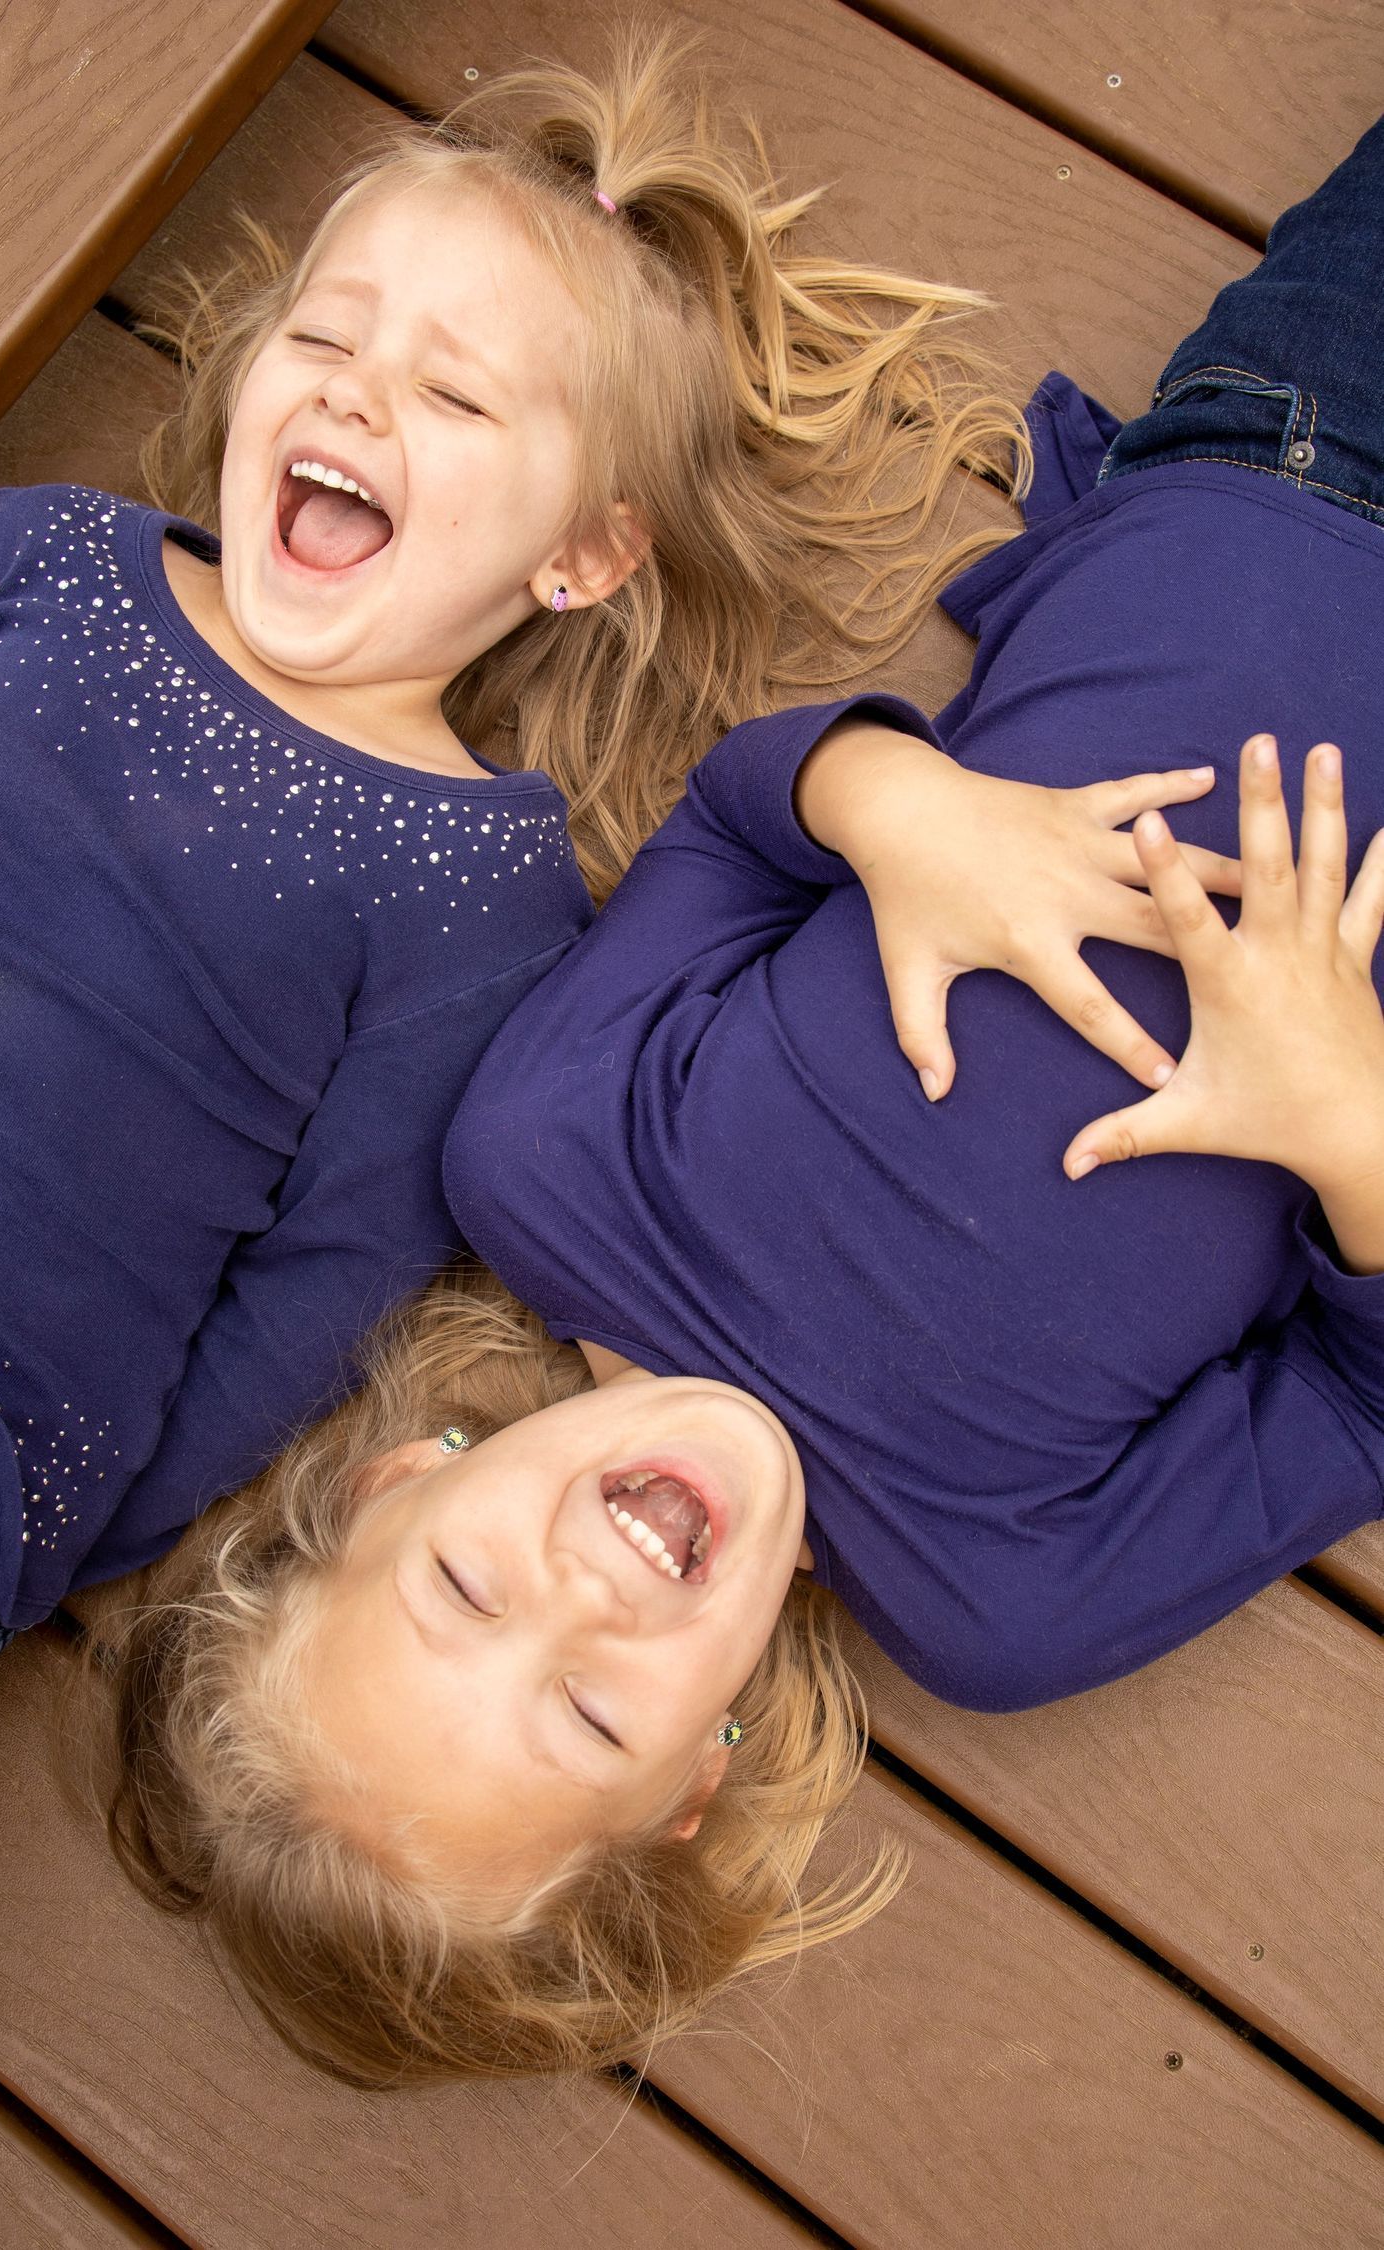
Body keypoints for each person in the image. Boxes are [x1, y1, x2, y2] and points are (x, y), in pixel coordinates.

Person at [100, 116, 1384, 2089]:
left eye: (466, 1593)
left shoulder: (547, 1162)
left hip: (1280, 461)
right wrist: (1339, 1122)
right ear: (694, 1786)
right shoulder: (998, 1593)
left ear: (394, 1483)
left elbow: (733, 816)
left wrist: (907, 813)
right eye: (589, 1723)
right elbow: (1359, 1400)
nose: (585, 1600)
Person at [0, 34, 1030, 1773]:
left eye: (455, 395)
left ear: (580, 556)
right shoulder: (44, 557)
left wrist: (62, 1519)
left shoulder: (472, 888)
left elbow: (315, 1293)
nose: (352, 395)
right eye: (326, 337)